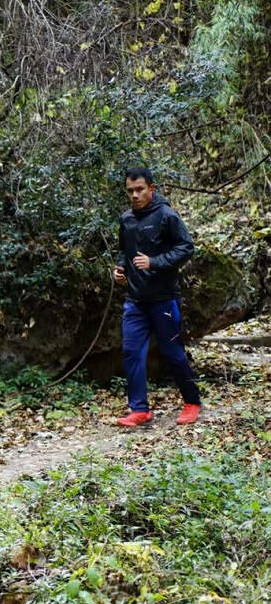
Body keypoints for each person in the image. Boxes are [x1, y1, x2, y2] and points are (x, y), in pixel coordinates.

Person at [112, 167, 202, 427]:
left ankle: (192, 402)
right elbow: (125, 252)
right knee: (130, 352)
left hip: (164, 299)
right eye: (130, 191)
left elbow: (186, 248)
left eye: (140, 189)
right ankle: (139, 409)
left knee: (173, 352)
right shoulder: (126, 220)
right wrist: (120, 270)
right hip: (135, 300)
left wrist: (155, 262)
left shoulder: (166, 215)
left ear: (152, 188)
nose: (135, 195)